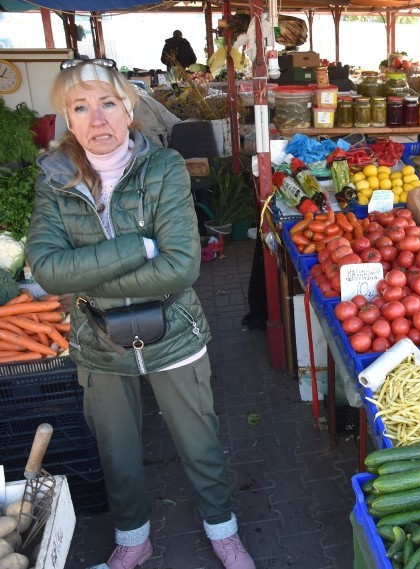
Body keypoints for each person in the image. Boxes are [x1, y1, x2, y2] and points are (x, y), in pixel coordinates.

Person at [25, 58, 255, 569]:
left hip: (173, 328)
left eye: (108, 103)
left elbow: (179, 267)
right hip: (97, 337)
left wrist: (84, 272)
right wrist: (137, 246)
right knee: (117, 449)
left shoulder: (164, 167)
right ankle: (134, 540)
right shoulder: (53, 179)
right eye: (80, 108)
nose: (97, 119)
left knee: (199, 441)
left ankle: (223, 531)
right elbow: (47, 270)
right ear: (67, 118)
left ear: (129, 109)